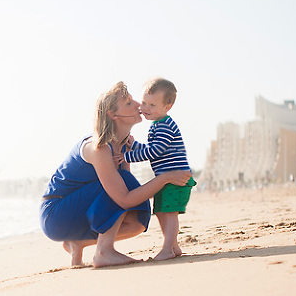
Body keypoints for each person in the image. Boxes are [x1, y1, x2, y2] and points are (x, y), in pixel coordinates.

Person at [40, 81, 192, 268]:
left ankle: (77, 243)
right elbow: (124, 199)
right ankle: (104, 252)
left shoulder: (123, 146)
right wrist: (165, 178)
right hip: (57, 215)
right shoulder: (99, 148)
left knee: (138, 218)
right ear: (113, 115)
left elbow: (126, 200)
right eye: (129, 103)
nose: (138, 105)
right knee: (126, 188)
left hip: (81, 212)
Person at [122, 78, 196, 261]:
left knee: (169, 213)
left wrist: (127, 157)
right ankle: (173, 246)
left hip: (177, 180)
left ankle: (167, 249)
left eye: (152, 105)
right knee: (162, 212)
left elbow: (155, 151)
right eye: (145, 102)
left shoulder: (164, 125)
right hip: (167, 180)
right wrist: (135, 145)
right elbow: (153, 148)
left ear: (167, 106)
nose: (146, 108)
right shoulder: (157, 124)